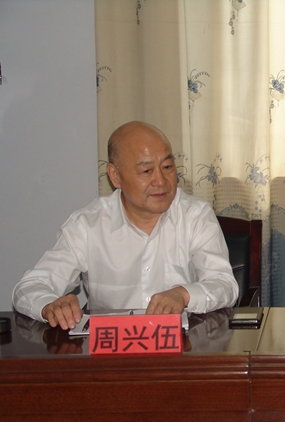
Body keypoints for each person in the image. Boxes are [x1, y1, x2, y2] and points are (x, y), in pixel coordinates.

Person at [13, 121, 239, 329]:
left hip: (180, 348)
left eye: (167, 166)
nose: (161, 181)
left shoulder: (195, 216)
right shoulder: (87, 225)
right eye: (146, 171)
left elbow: (224, 285)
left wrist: (184, 294)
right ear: (115, 176)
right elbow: (30, 286)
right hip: (111, 350)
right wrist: (49, 305)